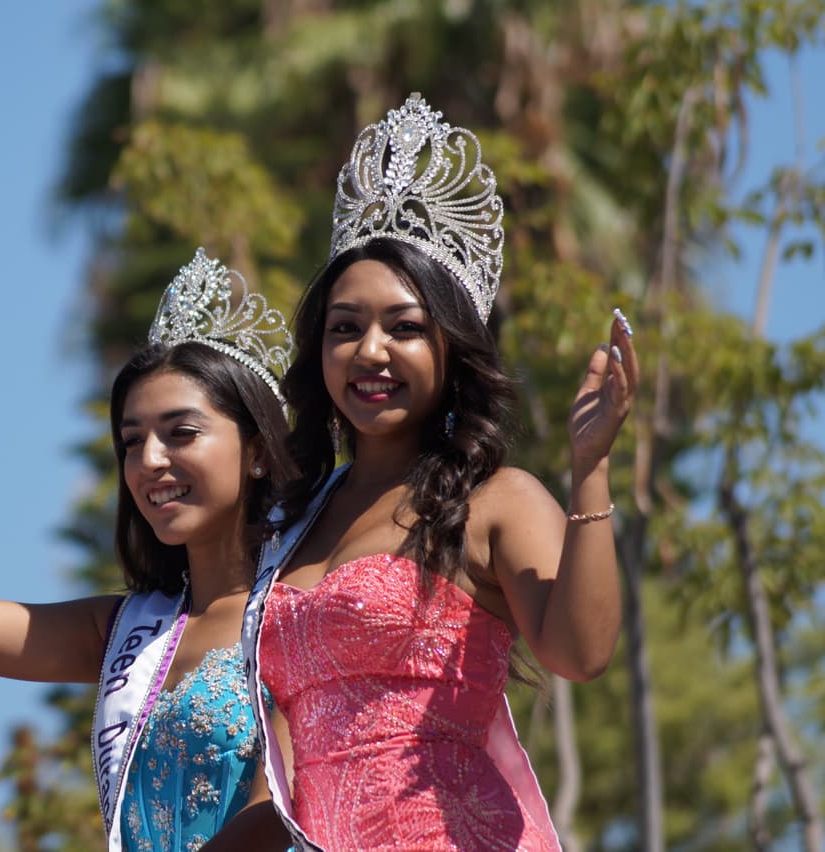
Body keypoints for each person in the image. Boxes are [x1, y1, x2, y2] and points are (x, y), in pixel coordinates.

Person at [241, 93, 639, 850]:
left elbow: (581, 654)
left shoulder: (496, 501)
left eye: (406, 327)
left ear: (453, 348)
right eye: (346, 328)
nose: (371, 352)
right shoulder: (288, 525)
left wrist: (592, 471)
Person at [0, 249, 295, 851]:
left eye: (182, 433)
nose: (150, 461)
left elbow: (277, 813)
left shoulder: (310, 613)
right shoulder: (124, 631)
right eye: (131, 441)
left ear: (257, 451)